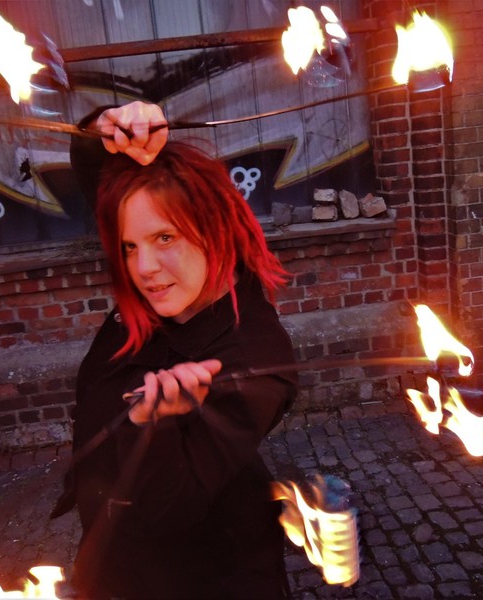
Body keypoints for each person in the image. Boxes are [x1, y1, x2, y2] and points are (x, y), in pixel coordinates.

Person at [51, 101, 298, 599]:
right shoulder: (165, 295)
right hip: (111, 563)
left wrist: (155, 426)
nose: (143, 268)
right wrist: (108, 127)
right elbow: (102, 170)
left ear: (215, 229)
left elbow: (170, 509)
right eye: (130, 246)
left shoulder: (254, 358)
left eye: (165, 237)